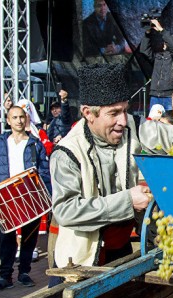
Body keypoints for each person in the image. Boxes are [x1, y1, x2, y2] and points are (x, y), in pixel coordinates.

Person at [49, 63, 151, 276]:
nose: (123, 121)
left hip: (121, 252)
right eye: (114, 113)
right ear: (88, 113)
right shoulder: (67, 153)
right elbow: (65, 210)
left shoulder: (132, 127)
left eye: (125, 110)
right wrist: (127, 201)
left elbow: (170, 135)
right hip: (80, 261)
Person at [0, 106, 51, 292]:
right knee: (6, 239)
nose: (18, 120)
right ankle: (5, 277)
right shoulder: (0, 143)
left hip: (29, 196)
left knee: (28, 239)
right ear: (8, 120)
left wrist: (47, 197)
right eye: (14, 117)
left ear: (26, 119)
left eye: (21, 117)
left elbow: (44, 174)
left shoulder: (35, 144)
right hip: (6, 197)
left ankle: (24, 273)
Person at [139, 18, 173, 111]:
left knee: (170, 123)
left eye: (167, 41)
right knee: (153, 124)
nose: (165, 42)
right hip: (155, 95)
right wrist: (147, 33)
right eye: (165, 41)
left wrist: (161, 29)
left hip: (170, 96)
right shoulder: (158, 56)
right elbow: (144, 50)